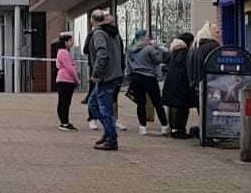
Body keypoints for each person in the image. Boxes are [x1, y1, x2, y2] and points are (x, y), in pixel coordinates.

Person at [86, 10, 125, 151]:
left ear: (92, 20)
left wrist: (96, 73)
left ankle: (111, 138)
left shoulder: (99, 33)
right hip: (114, 74)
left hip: (105, 77)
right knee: (94, 104)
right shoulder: (113, 33)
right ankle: (109, 133)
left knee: (102, 108)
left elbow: (102, 54)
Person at [126, 29, 168, 135]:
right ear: (143, 37)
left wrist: (129, 76)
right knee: (157, 102)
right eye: (147, 36)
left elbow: (128, 65)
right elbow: (157, 60)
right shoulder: (149, 49)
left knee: (140, 103)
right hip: (149, 78)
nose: (149, 38)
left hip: (136, 77)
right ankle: (164, 126)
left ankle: (143, 127)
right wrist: (157, 48)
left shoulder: (130, 50)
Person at [187, 23, 219, 140]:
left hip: (195, 84)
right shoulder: (213, 47)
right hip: (210, 84)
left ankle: (204, 133)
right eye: (216, 30)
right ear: (209, 32)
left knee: (202, 110)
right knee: (211, 110)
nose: (218, 32)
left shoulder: (194, 47)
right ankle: (211, 134)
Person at [162, 32, 197, 138]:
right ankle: (178, 130)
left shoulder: (175, 51)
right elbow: (185, 71)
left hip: (172, 85)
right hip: (180, 86)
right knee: (181, 108)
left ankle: (174, 129)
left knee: (174, 106)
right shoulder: (184, 53)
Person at [54, 33, 80, 131]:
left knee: (63, 101)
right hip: (66, 80)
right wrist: (77, 79)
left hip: (63, 80)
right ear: (65, 42)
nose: (72, 42)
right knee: (65, 101)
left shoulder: (62, 52)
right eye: (70, 40)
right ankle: (64, 122)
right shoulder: (64, 52)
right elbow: (70, 68)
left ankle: (64, 121)